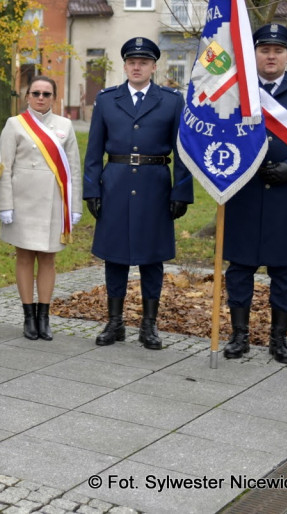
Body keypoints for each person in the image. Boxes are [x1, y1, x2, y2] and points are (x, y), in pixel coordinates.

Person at [223, 23, 287, 364]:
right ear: (254, 54)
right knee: (240, 268)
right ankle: (238, 336)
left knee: (284, 272)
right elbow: (221, 135)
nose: (271, 56)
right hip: (245, 193)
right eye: (264, 50)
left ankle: (278, 339)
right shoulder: (236, 90)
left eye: (278, 50)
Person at [82, 37, 193, 350]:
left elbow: (182, 150)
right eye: (132, 61)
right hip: (114, 183)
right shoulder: (107, 100)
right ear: (125, 65)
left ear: (154, 67)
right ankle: (114, 323)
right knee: (114, 256)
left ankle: (149, 325)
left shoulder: (172, 101)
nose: (137, 66)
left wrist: (181, 191)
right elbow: (92, 152)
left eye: (143, 62)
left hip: (155, 185)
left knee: (152, 258)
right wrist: (92, 188)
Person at [0, 76, 81, 341]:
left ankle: (44, 316)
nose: (41, 98)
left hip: (54, 202)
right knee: (24, 256)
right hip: (22, 202)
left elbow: (74, 170)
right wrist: (5, 204)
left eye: (47, 94)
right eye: (36, 93)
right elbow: (5, 168)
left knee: (48, 257)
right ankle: (28, 316)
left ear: (54, 98)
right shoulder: (15, 124)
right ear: (27, 96)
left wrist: (74, 205)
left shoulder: (65, 126)